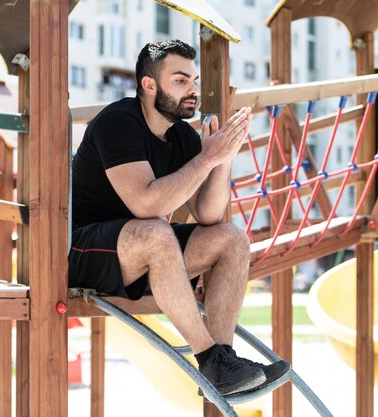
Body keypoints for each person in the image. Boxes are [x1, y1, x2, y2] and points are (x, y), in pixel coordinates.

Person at [68, 39, 290, 396]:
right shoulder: (118, 122)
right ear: (149, 85)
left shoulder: (182, 136)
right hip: (83, 251)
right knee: (156, 230)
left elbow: (208, 213)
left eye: (195, 80)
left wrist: (222, 156)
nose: (193, 90)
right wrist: (205, 159)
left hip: (145, 250)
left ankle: (224, 363)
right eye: (181, 80)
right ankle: (210, 359)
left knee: (231, 238)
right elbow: (145, 204)